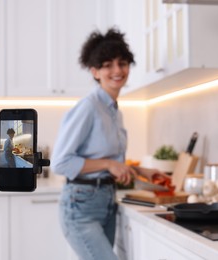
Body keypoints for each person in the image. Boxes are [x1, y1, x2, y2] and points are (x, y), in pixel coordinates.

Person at [51, 28, 169, 260]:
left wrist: (139, 171)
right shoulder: (89, 107)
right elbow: (60, 163)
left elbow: (108, 163)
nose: (117, 70)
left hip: (106, 200)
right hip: (81, 206)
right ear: (95, 71)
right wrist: (108, 164)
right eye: (107, 65)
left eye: (122, 63)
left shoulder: (114, 111)